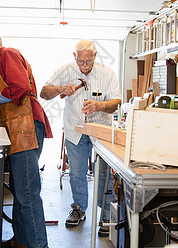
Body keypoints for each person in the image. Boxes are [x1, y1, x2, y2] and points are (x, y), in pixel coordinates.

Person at [0, 27, 52, 248]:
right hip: (19, 129)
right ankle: (21, 241)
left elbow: (20, 88)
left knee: (27, 192)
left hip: (26, 127)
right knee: (20, 190)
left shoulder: (7, 54)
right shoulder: (1, 64)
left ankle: (38, 245)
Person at [40, 39, 121, 236]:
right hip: (74, 130)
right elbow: (43, 92)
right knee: (77, 173)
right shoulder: (66, 70)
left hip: (100, 130)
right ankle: (79, 209)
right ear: (75, 57)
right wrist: (60, 89)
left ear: (95, 56)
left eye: (88, 61)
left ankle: (107, 216)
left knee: (103, 174)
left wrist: (99, 106)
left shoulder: (107, 74)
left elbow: (116, 103)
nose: (84, 66)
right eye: (81, 62)